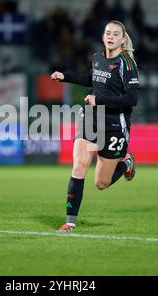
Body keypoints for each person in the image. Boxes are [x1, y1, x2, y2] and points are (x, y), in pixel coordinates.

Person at [50, 20, 139, 232]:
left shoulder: (127, 62)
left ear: (122, 39)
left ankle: (126, 163)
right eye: (108, 32)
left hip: (116, 122)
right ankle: (70, 222)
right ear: (103, 36)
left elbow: (132, 99)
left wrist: (101, 101)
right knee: (79, 164)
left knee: (101, 183)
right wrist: (65, 77)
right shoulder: (98, 58)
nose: (110, 36)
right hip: (91, 117)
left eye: (115, 34)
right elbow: (91, 78)